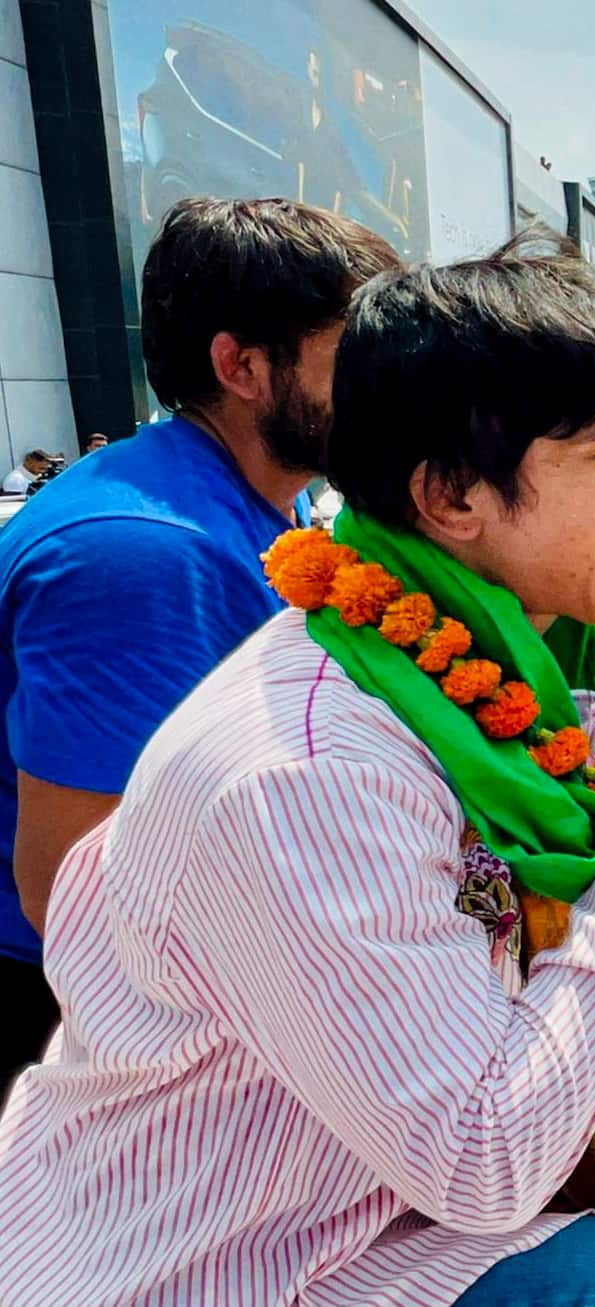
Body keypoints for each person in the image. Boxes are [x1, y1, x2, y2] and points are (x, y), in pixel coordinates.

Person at [0, 233, 595, 1304]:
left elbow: (584, 917)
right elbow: (480, 1155)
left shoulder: (531, 662)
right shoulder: (307, 772)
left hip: (376, 1207)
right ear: (453, 497)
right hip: (229, 1261)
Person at [0, 199, 400, 1085]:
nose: (392, 390)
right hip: (84, 1033)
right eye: (360, 360)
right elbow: (71, 894)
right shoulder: (142, 551)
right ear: (243, 365)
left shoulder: (260, 500)